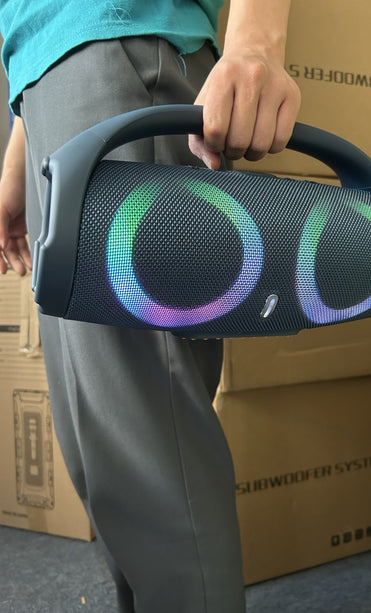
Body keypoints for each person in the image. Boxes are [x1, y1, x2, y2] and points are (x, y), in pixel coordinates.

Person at [0, 1, 300, 611]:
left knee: (153, 452)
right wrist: (19, 157)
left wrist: (258, 42)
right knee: (104, 456)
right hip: (50, 80)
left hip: (125, 53)